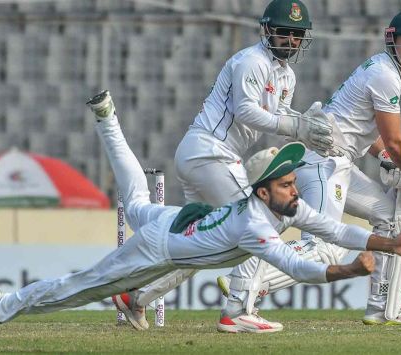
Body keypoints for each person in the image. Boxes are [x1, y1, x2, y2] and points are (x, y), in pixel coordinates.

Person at [0, 91, 401, 340]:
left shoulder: (278, 204)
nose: (296, 188)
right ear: (264, 190)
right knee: (76, 289)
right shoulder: (254, 225)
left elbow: (332, 226)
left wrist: (390, 244)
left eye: (292, 181)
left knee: (136, 194)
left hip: (173, 220)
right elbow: (298, 267)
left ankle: (107, 118)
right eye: (287, 183)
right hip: (157, 250)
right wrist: (349, 269)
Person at [110, 0, 342, 330]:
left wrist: (305, 122)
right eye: (285, 32)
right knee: (259, 220)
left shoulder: (287, 76)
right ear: (267, 30)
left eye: (297, 34)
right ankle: (237, 310)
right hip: (209, 152)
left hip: (210, 157)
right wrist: (296, 126)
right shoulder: (251, 61)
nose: (291, 40)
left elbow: (278, 117)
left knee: (199, 245)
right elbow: (247, 111)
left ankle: (135, 297)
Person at [216, 9, 401, 328]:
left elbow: (362, 129)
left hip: (338, 162)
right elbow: (396, 139)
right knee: (323, 250)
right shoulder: (385, 73)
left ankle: (384, 306)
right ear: (392, 40)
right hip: (325, 161)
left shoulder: (388, 70)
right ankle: (252, 277)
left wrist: (384, 157)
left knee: (391, 215)